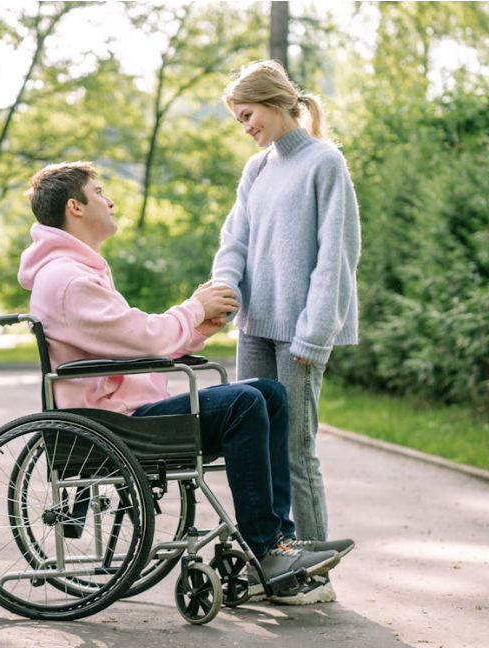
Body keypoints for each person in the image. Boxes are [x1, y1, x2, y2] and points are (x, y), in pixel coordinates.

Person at [17, 160, 344, 603]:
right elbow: (144, 335)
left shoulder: (79, 272)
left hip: (119, 414)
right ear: (75, 207)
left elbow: (134, 342)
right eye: (99, 193)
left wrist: (200, 325)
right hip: (112, 424)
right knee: (245, 402)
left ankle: (278, 541)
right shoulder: (69, 280)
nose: (109, 200)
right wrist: (194, 305)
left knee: (268, 393)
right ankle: (266, 548)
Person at [211, 60, 361, 604]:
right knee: (255, 451)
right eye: (239, 119)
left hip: (300, 336)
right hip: (254, 327)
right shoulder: (256, 170)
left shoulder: (325, 162)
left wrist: (315, 334)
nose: (245, 126)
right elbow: (236, 242)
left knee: (297, 451)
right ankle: (270, 559)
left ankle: (315, 571)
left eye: (247, 115)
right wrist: (224, 291)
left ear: (275, 103)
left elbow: (336, 258)